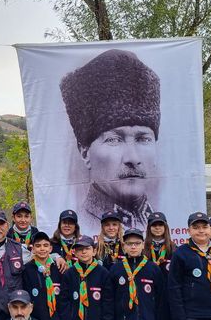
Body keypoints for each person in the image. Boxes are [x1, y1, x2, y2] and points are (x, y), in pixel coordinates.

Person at [59, 48, 160, 231]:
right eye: (114, 140)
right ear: (84, 151)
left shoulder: (158, 228)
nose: (132, 158)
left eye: (143, 139)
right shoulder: (81, 227)